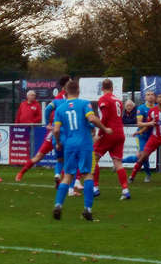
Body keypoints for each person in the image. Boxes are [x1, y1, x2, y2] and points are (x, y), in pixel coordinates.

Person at [52, 80, 112, 221]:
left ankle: (58, 205)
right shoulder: (85, 104)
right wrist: (104, 129)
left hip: (69, 145)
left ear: (66, 91)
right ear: (78, 91)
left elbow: (55, 130)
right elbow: (92, 118)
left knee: (67, 176)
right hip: (84, 144)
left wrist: (59, 142)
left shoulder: (60, 108)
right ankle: (87, 209)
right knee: (88, 175)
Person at [15, 76, 71, 183]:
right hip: (58, 132)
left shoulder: (65, 98)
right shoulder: (60, 98)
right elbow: (49, 110)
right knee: (64, 159)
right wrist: (48, 124)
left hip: (56, 132)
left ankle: (60, 179)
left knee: (61, 159)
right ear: (65, 85)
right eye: (70, 82)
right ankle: (21, 172)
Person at [92, 79, 131, 200]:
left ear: (102, 88)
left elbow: (105, 117)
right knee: (118, 162)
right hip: (120, 133)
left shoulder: (104, 99)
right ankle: (125, 190)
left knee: (93, 158)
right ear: (112, 88)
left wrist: (100, 133)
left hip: (109, 132)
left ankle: (95, 187)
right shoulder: (118, 100)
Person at [128, 91, 156, 182]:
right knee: (144, 155)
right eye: (148, 95)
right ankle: (147, 174)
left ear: (155, 97)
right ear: (145, 97)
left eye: (152, 94)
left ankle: (120, 161)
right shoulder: (141, 108)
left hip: (153, 136)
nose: (150, 96)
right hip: (142, 135)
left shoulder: (157, 108)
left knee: (141, 156)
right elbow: (139, 123)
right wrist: (150, 123)